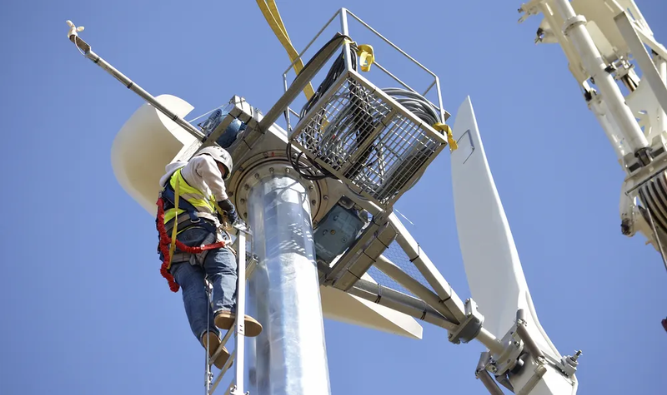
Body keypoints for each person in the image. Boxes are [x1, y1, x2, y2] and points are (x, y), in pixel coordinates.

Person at [155, 145, 263, 369]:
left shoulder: (177, 189)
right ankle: (225, 309)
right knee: (225, 268)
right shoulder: (191, 169)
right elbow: (205, 163)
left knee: (194, 290)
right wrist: (225, 201)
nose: (218, 175)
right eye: (220, 169)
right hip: (200, 233)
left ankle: (206, 333)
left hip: (176, 251)